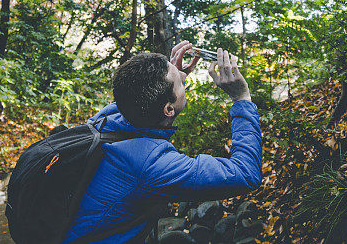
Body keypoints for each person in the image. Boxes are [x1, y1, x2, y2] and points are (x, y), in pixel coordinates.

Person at [61, 41, 262, 244]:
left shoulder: (106, 118)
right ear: (168, 110)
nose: (181, 78)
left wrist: (175, 79)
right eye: (180, 83)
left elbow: (139, 97)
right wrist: (242, 99)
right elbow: (246, 173)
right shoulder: (152, 166)